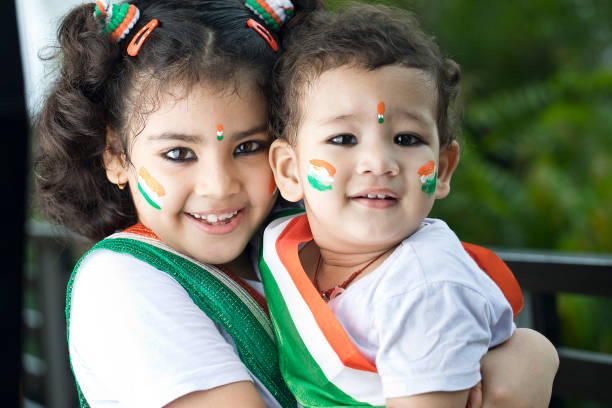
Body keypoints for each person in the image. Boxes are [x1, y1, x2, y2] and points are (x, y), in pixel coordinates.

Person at [33, 0, 557, 407]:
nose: (218, 186)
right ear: (116, 155)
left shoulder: (293, 255)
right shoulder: (123, 287)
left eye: (248, 147)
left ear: (288, 155)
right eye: (177, 153)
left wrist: (531, 352)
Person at [263, 4, 557, 408]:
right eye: (344, 139)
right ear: (289, 170)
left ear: (441, 169)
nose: (379, 163)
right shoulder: (286, 244)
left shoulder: (427, 291)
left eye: (406, 140)